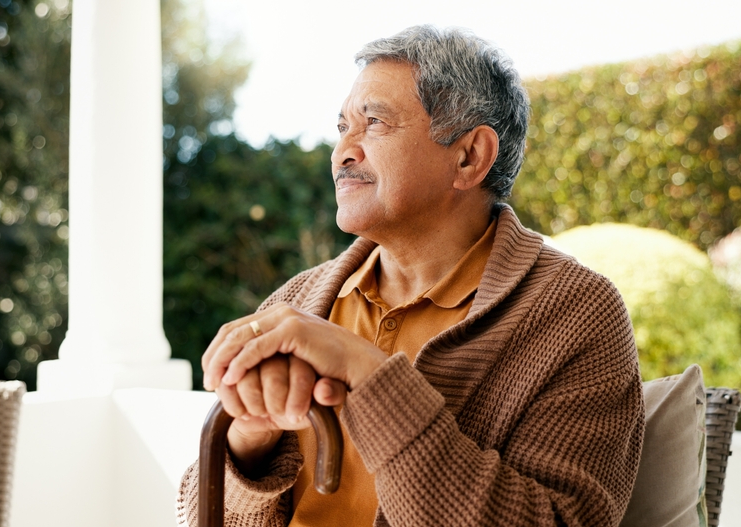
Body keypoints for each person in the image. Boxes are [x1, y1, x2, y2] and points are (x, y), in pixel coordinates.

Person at [177, 25, 644, 527]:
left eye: (373, 122)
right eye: (342, 128)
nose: (342, 152)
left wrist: (372, 376)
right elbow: (196, 514)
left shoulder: (576, 313)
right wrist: (249, 444)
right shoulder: (299, 298)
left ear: (469, 156)